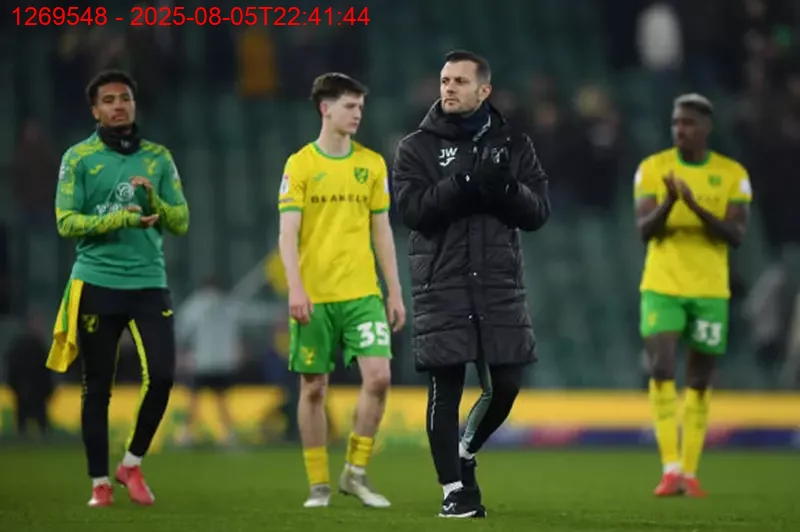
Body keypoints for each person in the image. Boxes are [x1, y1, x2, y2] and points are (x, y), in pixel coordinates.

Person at [391, 50, 551, 518]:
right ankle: (453, 491)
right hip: (442, 281)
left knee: (507, 384)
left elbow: (538, 213)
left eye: (460, 81)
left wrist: (506, 189)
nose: (449, 88)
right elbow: (412, 212)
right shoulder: (416, 147)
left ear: (484, 90)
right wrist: (463, 181)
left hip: (498, 284)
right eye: (445, 80)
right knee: (445, 387)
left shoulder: (515, 144)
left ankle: (465, 451)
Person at [47, 70, 190, 507]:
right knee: (97, 387)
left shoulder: (159, 158)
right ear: (95, 111)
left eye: (124, 98)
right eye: (108, 100)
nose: (118, 106)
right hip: (97, 281)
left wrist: (155, 204)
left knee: (163, 376)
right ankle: (99, 483)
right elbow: (65, 221)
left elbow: (181, 221)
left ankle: (131, 463)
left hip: (149, 281)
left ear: (134, 104)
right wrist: (121, 218)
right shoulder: (78, 158)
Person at [277, 72, 406, 509]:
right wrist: (296, 288)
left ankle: (355, 471)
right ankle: (318, 484)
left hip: (361, 293)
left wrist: (394, 291)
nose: (357, 114)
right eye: (349, 106)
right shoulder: (300, 165)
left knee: (380, 377)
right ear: (325, 108)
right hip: (314, 296)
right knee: (314, 389)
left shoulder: (372, 164)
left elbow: (382, 231)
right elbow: (287, 233)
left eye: (360, 107)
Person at [633, 93, 751, 498]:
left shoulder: (732, 174)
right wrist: (670, 200)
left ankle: (690, 470)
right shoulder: (652, 168)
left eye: (688, 123)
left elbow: (736, 235)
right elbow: (644, 230)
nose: (680, 130)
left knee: (699, 378)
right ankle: (669, 469)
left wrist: (694, 205)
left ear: (706, 128)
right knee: (662, 367)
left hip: (709, 291)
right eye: (676, 123)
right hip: (662, 286)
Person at [174, 277, 243, 447]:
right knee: (221, 399)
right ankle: (228, 434)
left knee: (194, 399)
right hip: (223, 361)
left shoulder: (195, 305)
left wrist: (182, 354)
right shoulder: (228, 306)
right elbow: (236, 332)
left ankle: (187, 434)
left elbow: (182, 331)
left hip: (202, 361)